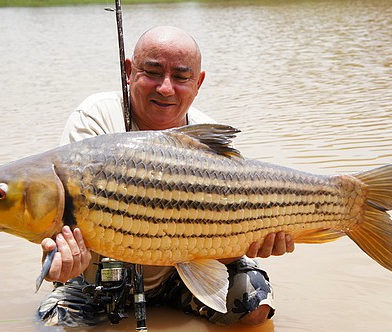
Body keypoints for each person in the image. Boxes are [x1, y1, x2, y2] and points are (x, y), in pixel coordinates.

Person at [37, 26, 295, 327]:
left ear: (198, 83)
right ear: (129, 71)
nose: (165, 88)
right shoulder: (95, 120)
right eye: (153, 72)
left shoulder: (206, 135)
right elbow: (60, 217)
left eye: (181, 77)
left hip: (180, 275)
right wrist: (62, 260)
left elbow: (217, 241)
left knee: (254, 306)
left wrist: (249, 241)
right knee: (56, 323)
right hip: (101, 283)